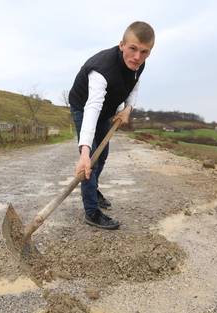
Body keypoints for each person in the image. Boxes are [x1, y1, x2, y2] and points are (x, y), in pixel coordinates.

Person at [69, 21, 155, 230]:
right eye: (133, 49)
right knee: (92, 159)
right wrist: (84, 153)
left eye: (144, 52)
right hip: (84, 107)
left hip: (106, 111)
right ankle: (91, 212)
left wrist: (128, 108)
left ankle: (93, 189)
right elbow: (92, 108)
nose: (137, 57)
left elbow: (134, 86)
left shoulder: (138, 64)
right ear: (121, 45)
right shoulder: (102, 69)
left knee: (103, 153)